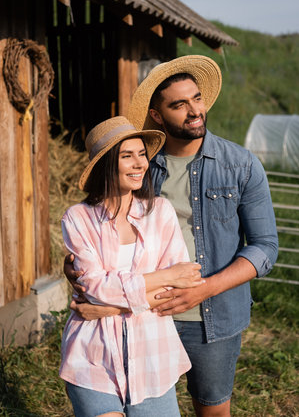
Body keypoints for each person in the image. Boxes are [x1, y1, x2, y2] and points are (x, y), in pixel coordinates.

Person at [65, 56, 278, 417]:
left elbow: (265, 247)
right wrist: (76, 269)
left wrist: (205, 288)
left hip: (211, 318)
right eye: (179, 104)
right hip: (139, 319)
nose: (194, 110)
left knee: (211, 410)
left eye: (197, 99)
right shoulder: (141, 166)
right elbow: (101, 231)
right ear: (157, 115)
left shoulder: (240, 165)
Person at [60, 115, 205, 417]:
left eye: (142, 155)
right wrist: (164, 275)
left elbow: (179, 287)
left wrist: (108, 308)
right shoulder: (78, 218)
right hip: (92, 355)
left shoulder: (161, 212)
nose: (140, 164)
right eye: (127, 156)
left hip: (153, 357)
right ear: (105, 164)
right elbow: (95, 287)